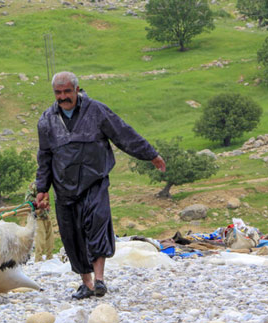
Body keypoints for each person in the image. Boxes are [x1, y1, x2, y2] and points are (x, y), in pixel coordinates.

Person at [35, 72, 166, 300]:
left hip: (94, 181)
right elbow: (44, 157)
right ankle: (86, 284)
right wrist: (41, 188)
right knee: (72, 235)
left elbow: (123, 133)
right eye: (58, 92)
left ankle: (100, 280)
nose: (63, 97)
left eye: (67, 91)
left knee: (96, 226)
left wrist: (150, 154)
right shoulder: (46, 120)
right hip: (64, 188)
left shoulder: (96, 111)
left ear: (77, 89)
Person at [25, 180, 55, 261]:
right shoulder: (34, 185)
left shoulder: (46, 186)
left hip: (45, 214)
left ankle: (50, 256)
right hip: (37, 215)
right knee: (40, 238)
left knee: (50, 237)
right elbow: (28, 199)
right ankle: (38, 258)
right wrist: (38, 202)